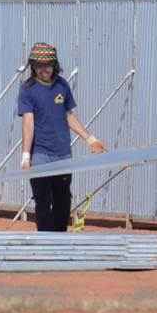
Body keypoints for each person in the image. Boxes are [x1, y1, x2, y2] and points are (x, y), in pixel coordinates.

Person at [17, 42, 106, 232]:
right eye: (40, 66)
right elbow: (28, 122)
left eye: (48, 65)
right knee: (42, 200)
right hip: (41, 155)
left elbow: (68, 116)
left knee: (63, 201)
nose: (44, 70)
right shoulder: (28, 89)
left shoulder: (62, 85)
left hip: (63, 154)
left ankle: (60, 242)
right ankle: (45, 245)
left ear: (54, 64)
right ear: (33, 66)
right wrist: (26, 156)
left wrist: (90, 139)